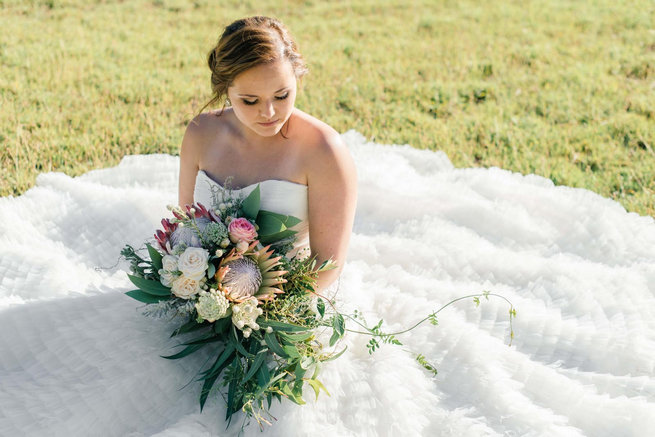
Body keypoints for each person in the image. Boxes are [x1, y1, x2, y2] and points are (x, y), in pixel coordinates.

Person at [177, 16, 357, 293]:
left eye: (282, 95)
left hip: (292, 301)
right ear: (226, 89)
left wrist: (258, 313)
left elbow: (326, 265)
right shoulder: (200, 133)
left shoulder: (324, 150)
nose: (269, 113)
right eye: (250, 101)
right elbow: (187, 231)